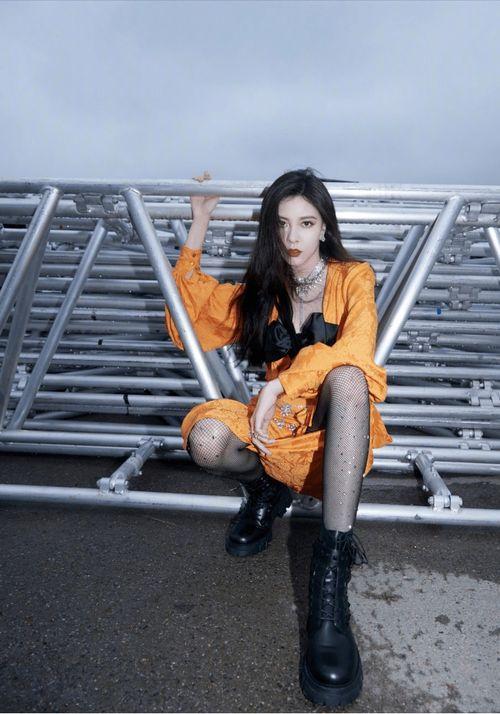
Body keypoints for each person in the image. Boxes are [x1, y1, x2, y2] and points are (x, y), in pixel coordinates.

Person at [164, 167, 393, 708]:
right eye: (282, 223)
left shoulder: (353, 277)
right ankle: (266, 491)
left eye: (306, 223)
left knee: (349, 379)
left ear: (324, 227)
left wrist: (282, 383)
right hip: (274, 434)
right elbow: (186, 323)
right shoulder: (263, 290)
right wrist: (198, 226)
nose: (293, 237)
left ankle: (329, 589)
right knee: (207, 439)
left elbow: (357, 349)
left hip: (331, 437)